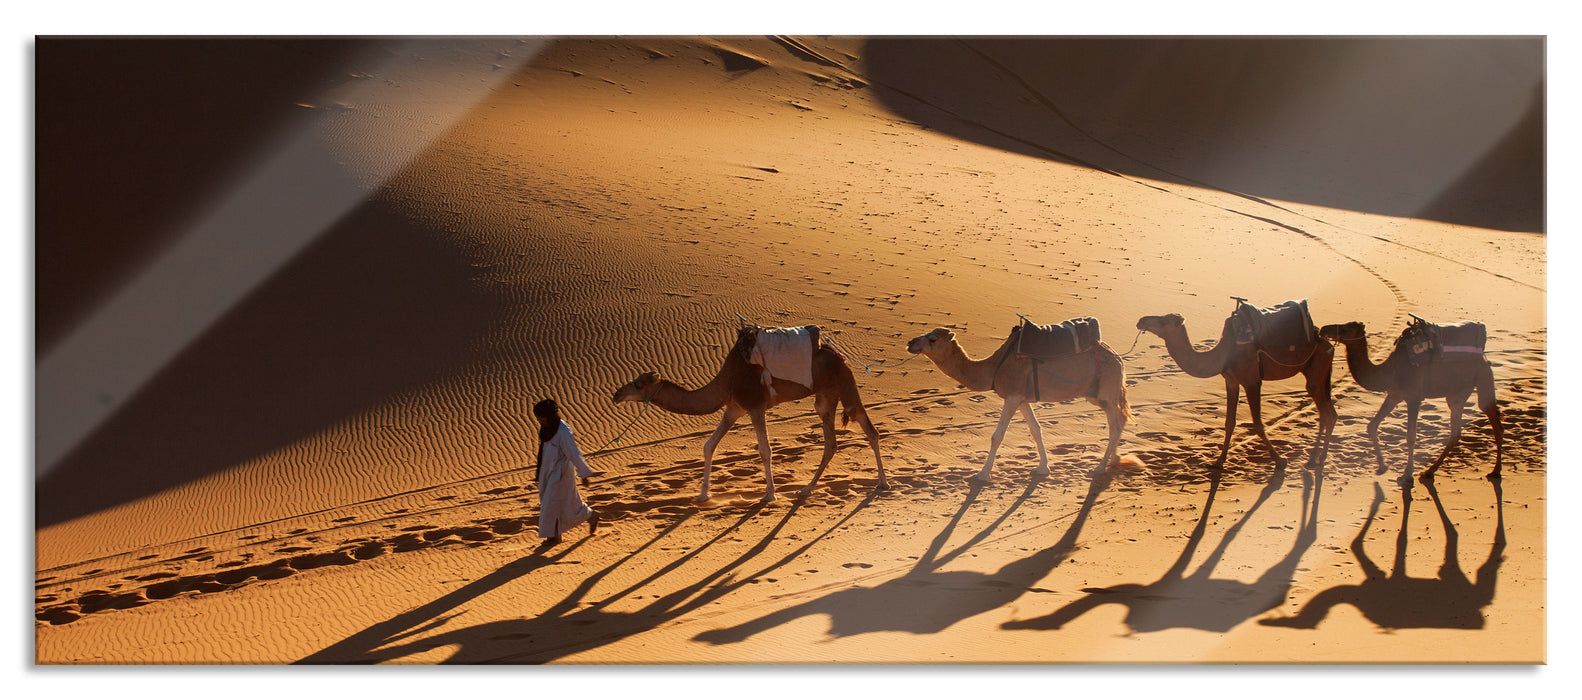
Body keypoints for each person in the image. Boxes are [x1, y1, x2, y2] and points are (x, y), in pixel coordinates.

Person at [532, 398, 599, 544]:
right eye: (538, 419)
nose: (540, 421)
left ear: (550, 416)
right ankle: (591, 516)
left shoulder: (563, 431)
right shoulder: (547, 428)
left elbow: (574, 452)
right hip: (548, 472)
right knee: (563, 505)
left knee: (551, 505)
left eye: (541, 418)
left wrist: (584, 474)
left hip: (560, 474)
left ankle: (554, 536)